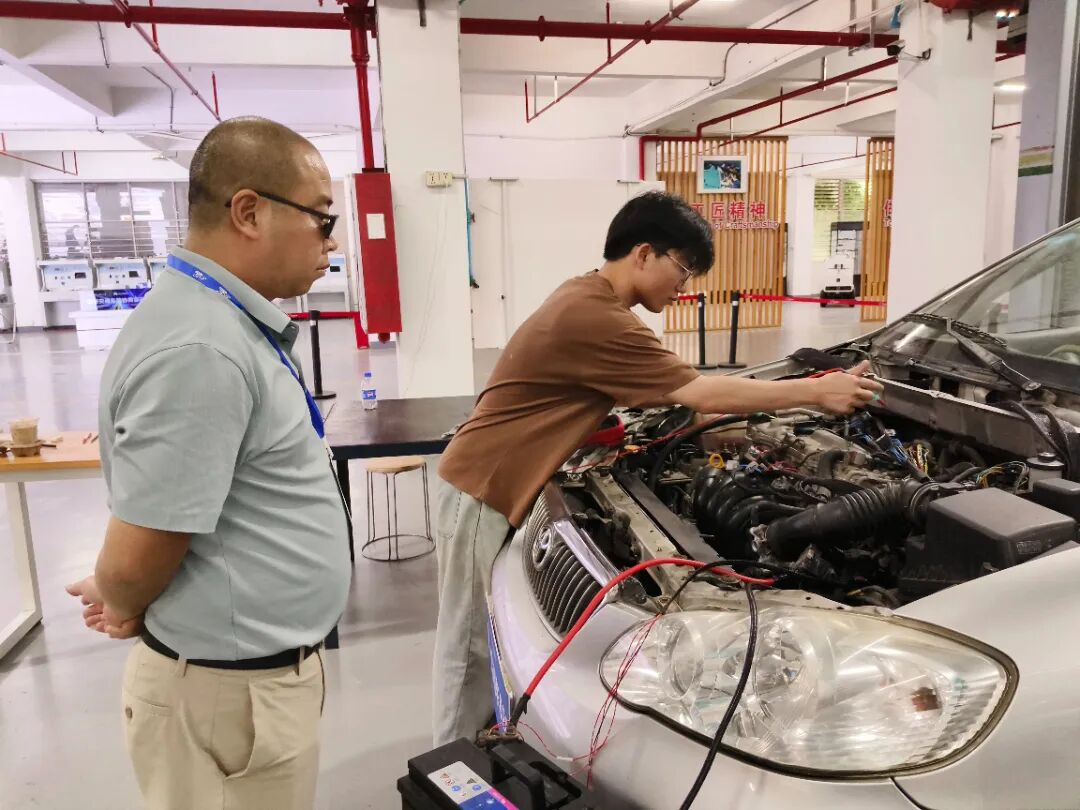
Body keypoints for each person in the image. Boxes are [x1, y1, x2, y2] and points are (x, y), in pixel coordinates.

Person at [431, 190, 883, 745]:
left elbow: (665, 396)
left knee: (479, 641)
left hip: (487, 482)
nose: (685, 286)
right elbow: (699, 390)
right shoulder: (599, 318)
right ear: (644, 253)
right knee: (468, 650)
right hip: (482, 488)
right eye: (684, 268)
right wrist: (815, 393)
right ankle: (448, 764)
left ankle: (476, 747)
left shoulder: (585, 295)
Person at [65, 116, 350, 810]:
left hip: (245, 685)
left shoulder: (219, 324)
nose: (332, 240)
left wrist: (124, 589)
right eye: (321, 218)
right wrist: (121, 595)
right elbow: (139, 551)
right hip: (226, 697)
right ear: (248, 212)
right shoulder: (202, 349)